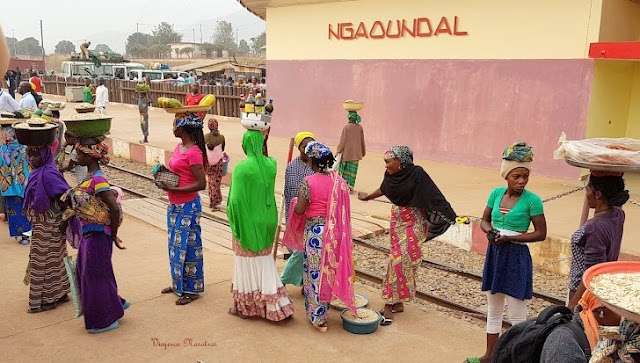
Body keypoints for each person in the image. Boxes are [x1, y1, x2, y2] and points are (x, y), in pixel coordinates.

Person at [467, 142, 547, 363]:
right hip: (496, 255)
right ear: (506, 176)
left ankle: (516, 358)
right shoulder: (495, 194)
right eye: (516, 177)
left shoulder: (533, 201)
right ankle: (490, 355)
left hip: (516, 258)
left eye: (525, 177)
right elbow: (484, 220)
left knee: (517, 316)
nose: (521, 181)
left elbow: (540, 233)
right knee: (493, 309)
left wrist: (511, 238)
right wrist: (490, 232)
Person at [358, 145, 457, 325]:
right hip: (397, 221)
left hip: (415, 222)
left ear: (401, 161)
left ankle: (389, 304)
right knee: (399, 261)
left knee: (400, 261)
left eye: (388, 162)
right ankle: (398, 302)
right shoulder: (390, 175)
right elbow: (384, 189)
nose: (386, 166)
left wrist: (448, 215)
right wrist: (367, 198)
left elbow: (434, 196)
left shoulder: (417, 174)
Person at [283, 141, 355, 331]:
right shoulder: (340, 182)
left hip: (316, 234)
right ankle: (325, 305)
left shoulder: (308, 182)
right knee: (329, 272)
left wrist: (295, 201)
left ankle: (317, 316)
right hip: (335, 234)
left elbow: (299, 210)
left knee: (314, 274)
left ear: (313, 162)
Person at [226, 130, 294, 321]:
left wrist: (235, 220)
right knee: (264, 263)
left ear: (245, 144)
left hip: (247, 221)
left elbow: (236, 200)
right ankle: (276, 305)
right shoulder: (271, 164)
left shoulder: (241, 168)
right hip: (267, 220)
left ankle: (247, 308)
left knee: (245, 264)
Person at [72, 142, 128, 333]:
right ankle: (115, 304)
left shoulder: (98, 180)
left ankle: (105, 320)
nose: (75, 156)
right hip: (91, 234)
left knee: (94, 276)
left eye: (79, 153)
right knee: (94, 272)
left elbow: (113, 207)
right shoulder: (90, 177)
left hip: (97, 235)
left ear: (89, 157)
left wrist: (114, 234)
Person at [156, 114, 207, 305]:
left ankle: (191, 290)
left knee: (189, 247)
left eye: (175, 125)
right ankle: (178, 284)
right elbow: (181, 173)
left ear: (183, 129)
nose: (172, 128)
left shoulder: (194, 152)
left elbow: (201, 184)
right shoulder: (179, 148)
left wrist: (174, 189)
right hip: (175, 204)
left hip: (188, 206)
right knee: (176, 247)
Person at [567, 173, 628, 311]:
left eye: (588, 189)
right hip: (600, 288)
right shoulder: (617, 214)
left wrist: (573, 305)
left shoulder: (594, 228)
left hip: (584, 294)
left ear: (598, 194)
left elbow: (592, 272)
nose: (586, 193)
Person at [23, 145, 71, 313]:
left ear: (43, 156)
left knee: (42, 261)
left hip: (50, 223)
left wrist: (64, 218)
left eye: (35, 155)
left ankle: (47, 300)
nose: (31, 159)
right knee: (55, 258)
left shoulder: (49, 174)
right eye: (29, 154)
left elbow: (66, 196)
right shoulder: (40, 171)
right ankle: (61, 292)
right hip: (44, 222)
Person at [280, 131, 316, 287]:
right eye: (305, 146)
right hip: (298, 213)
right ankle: (285, 280)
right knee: (300, 250)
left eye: (311, 146)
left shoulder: (317, 165)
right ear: (299, 148)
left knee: (310, 252)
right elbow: (291, 194)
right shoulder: (292, 167)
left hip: (314, 215)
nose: (308, 150)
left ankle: (304, 282)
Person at [0, 124, 31, 244]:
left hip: (11, 186)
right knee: (26, 209)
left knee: (15, 210)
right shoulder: (25, 147)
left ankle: (22, 235)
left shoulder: (4, 149)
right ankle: (26, 235)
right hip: (25, 184)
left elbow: (3, 162)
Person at [337, 110, 366, 192]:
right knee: (352, 172)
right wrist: (363, 152)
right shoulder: (360, 128)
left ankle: (343, 186)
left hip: (346, 153)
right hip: (356, 154)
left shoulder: (346, 127)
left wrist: (338, 151)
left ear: (349, 117)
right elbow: (362, 141)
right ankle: (350, 187)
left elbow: (342, 141)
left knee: (344, 170)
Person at [204, 119, 225, 210]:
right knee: (216, 182)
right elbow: (223, 148)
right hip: (218, 163)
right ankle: (214, 203)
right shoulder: (221, 137)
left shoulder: (205, 137)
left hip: (208, 162)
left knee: (210, 181)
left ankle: (211, 200)